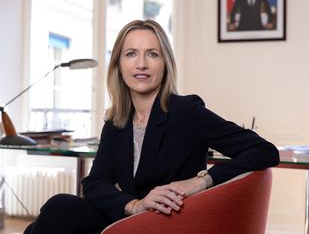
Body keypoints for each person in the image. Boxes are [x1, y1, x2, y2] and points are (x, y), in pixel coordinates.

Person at [24, 19, 279, 234]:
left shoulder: (186, 112)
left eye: (152, 54)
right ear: (119, 65)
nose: (141, 64)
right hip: (130, 219)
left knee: (53, 215)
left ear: (164, 64)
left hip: (167, 223)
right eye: (131, 53)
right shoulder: (117, 120)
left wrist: (200, 181)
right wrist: (134, 205)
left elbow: (264, 150)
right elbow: (95, 182)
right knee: (56, 211)